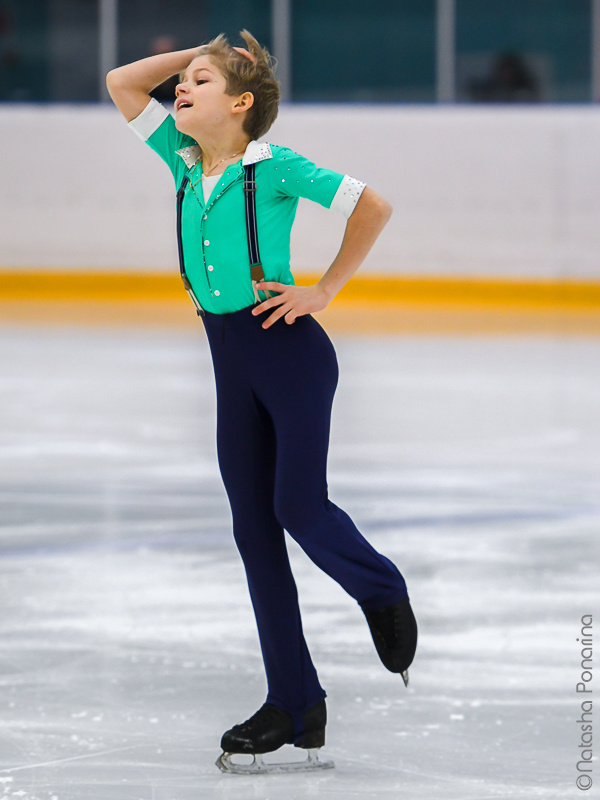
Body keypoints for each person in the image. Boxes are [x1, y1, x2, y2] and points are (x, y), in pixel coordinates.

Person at [106, 30, 417, 774]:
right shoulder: (182, 159)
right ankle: (295, 702)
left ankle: (380, 587)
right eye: (184, 82)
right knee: (254, 531)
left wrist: (324, 290)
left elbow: (372, 206)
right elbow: (123, 82)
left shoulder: (275, 166)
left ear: (242, 104)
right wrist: (195, 55)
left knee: (297, 507)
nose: (182, 89)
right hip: (229, 360)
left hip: (290, 356)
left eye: (201, 82)